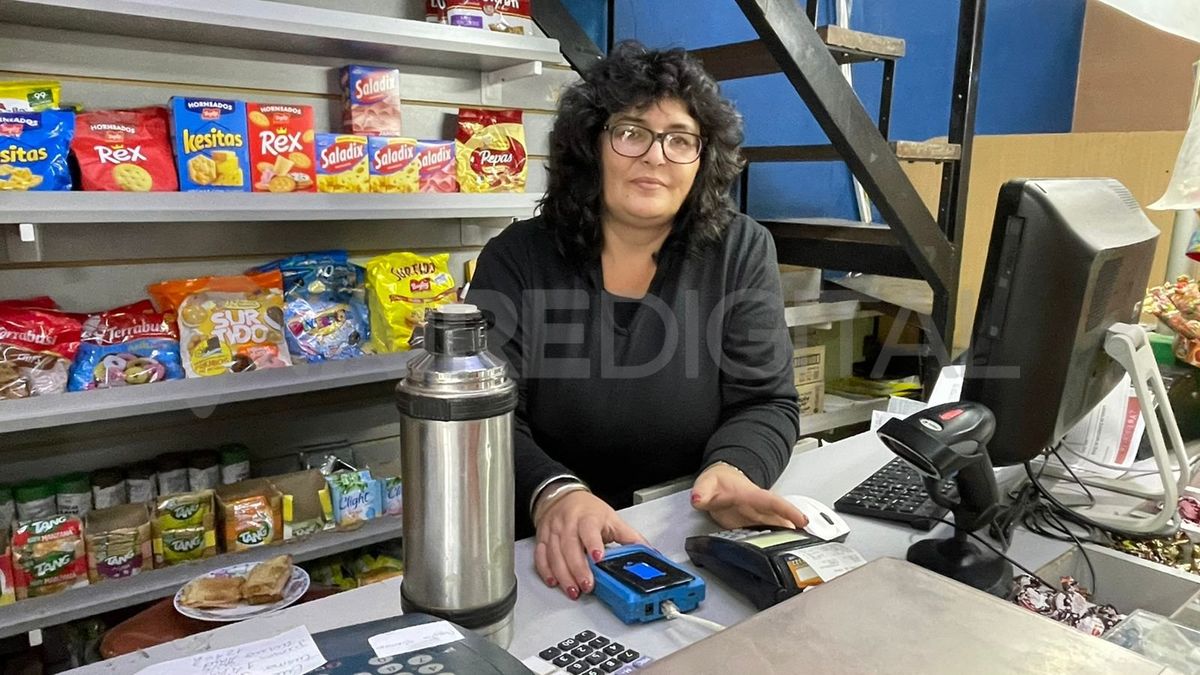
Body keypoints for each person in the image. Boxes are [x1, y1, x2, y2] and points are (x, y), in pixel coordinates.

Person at [469, 41, 807, 602]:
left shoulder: (741, 249)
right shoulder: (517, 257)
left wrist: (735, 467)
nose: (655, 156)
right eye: (631, 132)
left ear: (703, 160)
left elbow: (767, 400)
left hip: (688, 531)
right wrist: (553, 492)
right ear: (592, 146)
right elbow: (485, 416)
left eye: (680, 140)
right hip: (547, 544)